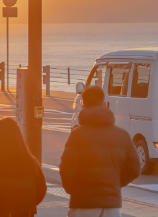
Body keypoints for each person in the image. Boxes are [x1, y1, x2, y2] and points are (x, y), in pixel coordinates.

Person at [60, 85, 140, 217]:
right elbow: (134, 168)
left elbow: (66, 168)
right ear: (104, 104)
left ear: (83, 106)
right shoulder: (122, 134)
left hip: (83, 203)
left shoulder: (77, 135)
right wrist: (113, 184)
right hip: (111, 206)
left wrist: (73, 190)